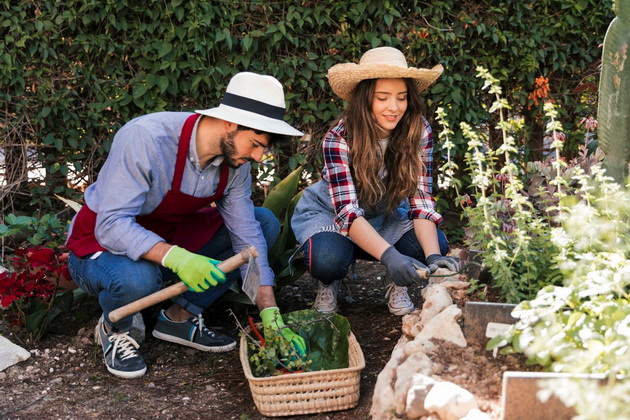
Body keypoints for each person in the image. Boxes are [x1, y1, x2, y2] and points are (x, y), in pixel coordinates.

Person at [66, 72, 306, 379]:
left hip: (167, 239)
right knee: (139, 280)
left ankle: (179, 319)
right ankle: (116, 330)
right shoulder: (147, 139)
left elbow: (248, 238)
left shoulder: (234, 164)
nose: (258, 156)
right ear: (230, 123)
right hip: (99, 247)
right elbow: (111, 225)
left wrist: (270, 312)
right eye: (256, 144)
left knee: (264, 223)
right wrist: (179, 258)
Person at [291, 47, 459, 316]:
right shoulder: (339, 137)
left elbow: (421, 199)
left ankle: (397, 280)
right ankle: (330, 281)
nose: (394, 108)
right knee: (326, 261)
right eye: (383, 98)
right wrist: (390, 256)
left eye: (401, 98)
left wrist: (433, 258)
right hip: (332, 215)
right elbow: (347, 212)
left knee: (434, 243)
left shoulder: (419, 130)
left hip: (386, 214)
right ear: (365, 99)